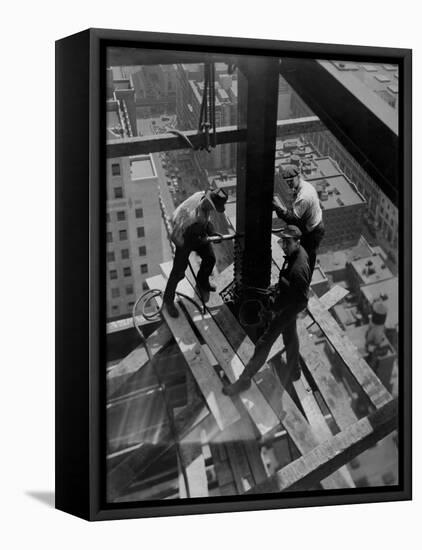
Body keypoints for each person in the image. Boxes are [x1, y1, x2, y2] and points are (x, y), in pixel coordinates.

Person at [222, 225, 311, 396]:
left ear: (297, 242)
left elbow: (301, 300)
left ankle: (244, 381)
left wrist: (277, 309)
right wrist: (278, 288)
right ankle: (295, 370)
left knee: (264, 343)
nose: (284, 245)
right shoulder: (297, 253)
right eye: (283, 241)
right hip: (287, 305)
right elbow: (291, 286)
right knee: (291, 336)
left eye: (288, 242)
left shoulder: (297, 269)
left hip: (287, 309)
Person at [163, 188, 228, 318]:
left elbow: (206, 221)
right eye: (213, 206)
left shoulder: (201, 196)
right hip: (183, 236)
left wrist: (212, 232)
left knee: (210, 258)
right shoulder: (191, 217)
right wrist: (204, 238)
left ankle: (202, 283)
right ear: (209, 201)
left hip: (197, 231)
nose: (213, 209)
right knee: (178, 272)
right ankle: (168, 300)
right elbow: (186, 231)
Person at [273, 164, 324, 274]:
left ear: (298, 176)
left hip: (313, 231)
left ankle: (302, 282)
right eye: (287, 181)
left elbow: (293, 220)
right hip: (313, 225)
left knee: (306, 259)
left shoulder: (304, 196)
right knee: (304, 256)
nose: (289, 183)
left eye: (291, 180)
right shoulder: (304, 185)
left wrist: (279, 208)